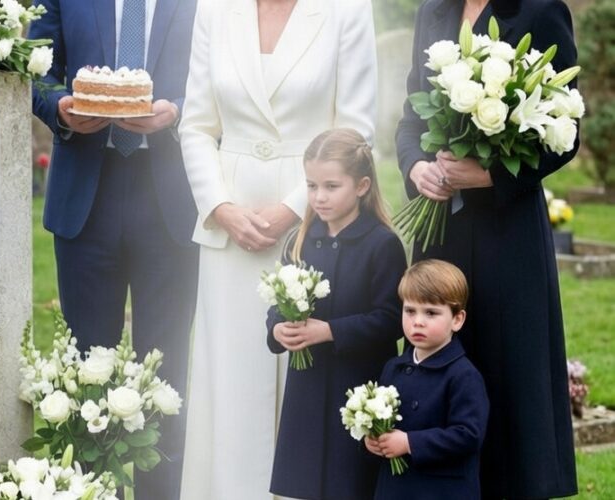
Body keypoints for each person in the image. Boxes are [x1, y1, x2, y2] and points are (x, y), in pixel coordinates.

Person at [180, 0, 377, 495]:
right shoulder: (214, 9)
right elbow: (197, 126)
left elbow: (357, 128)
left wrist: (299, 206)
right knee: (230, 377)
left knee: (303, 372)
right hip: (229, 227)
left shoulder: (348, 10)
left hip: (317, 219)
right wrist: (220, 205)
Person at [395, 0, 579, 497]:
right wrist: (415, 168)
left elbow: (566, 131)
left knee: (507, 368)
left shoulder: (541, 11)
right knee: (438, 358)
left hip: (508, 231)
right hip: (441, 231)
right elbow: (411, 116)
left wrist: (491, 175)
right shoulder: (432, 12)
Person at [28, 1, 198, 498]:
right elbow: (36, 65)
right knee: (86, 369)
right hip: (87, 195)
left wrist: (177, 110)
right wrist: (59, 106)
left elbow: (218, 73)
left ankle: (159, 492)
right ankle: (88, 488)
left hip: (170, 197)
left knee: (166, 370)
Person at [266, 129, 406, 500]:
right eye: (312, 186)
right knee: (306, 483)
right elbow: (276, 305)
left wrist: (330, 331)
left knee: (351, 483)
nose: (319, 197)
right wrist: (278, 329)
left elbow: (391, 319)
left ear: (361, 186)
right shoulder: (299, 238)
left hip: (358, 387)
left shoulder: (382, 244)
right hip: (307, 390)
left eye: (331, 186)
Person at [365, 259, 490, 500]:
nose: (417, 321)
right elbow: (380, 418)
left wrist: (410, 442)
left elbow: (468, 435)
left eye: (431, 312)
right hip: (395, 489)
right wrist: (372, 440)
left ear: (457, 319)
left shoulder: (463, 375)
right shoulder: (394, 368)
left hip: (441, 490)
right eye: (410, 310)